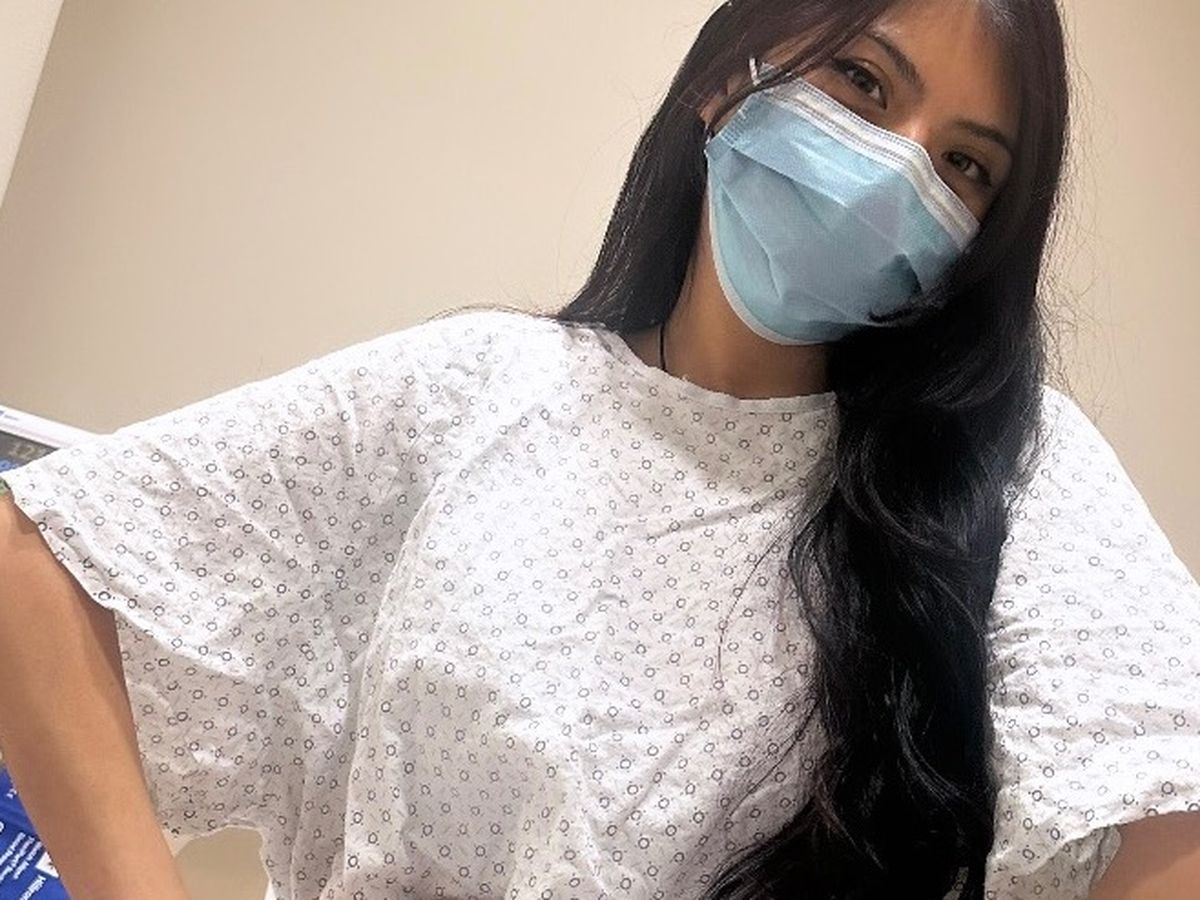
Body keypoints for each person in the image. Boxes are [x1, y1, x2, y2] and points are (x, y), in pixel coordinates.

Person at [0, 0, 1197, 897]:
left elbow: (1172, 789)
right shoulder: (470, 390)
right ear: (728, 81)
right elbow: (30, 560)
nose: (898, 170)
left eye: (965, 165)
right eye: (864, 81)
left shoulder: (1007, 470)